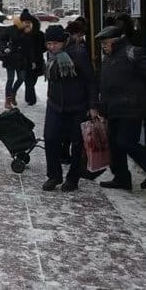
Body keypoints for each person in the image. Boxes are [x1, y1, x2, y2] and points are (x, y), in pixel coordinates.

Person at [95, 25, 146, 190]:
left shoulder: (134, 53)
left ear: (117, 40)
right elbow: (105, 85)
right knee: (114, 144)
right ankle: (121, 178)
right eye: (102, 44)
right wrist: (102, 107)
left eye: (105, 43)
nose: (104, 47)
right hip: (113, 108)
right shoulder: (108, 58)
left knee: (126, 142)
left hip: (132, 107)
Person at [41, 25, 102, 192]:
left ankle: (73, 179)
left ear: (63, 41)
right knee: (50, 138)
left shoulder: (78, 53)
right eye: (49, 44)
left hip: (77, 105)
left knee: (77, 143)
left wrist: (92, 106)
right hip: (55, 104)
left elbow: (90, 80)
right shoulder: (51, 55)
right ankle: (54, 175)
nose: (51, 47)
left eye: (55, 43)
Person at [0, 15, 35, 110]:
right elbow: (1, 39)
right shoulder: (10, 29)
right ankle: (8, 100)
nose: (27, 24)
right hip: (10, 58)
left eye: (28, 22)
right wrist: (4, 48)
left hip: (22, 60)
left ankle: (13, 93)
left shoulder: (28, 32)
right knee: (10, 79)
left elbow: (30, 48)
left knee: (21, 78)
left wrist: (33, 60)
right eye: (25, 22)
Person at [20, 10, 47, 106]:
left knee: (30, 81)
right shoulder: (28, 34)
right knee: (29, 80)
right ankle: (30, 98)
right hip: (31, 60)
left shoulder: (34, 34)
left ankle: (30, 98)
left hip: (32, 60)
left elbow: (45, 47)